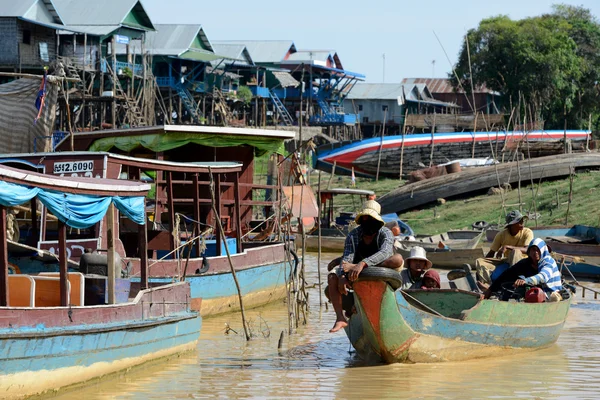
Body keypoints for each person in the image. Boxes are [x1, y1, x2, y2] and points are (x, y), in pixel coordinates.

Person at [328, 200, 404, 333]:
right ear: (361, 220)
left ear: (378, 221)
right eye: (365, 218)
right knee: (332, 277)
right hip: (356, 267)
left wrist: (362, 264)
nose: (368, 222)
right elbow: (347, 258)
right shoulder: (353, 235)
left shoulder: (385, 233)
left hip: (381, 266)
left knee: (398, 259)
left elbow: (385, 253)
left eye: (371, 219)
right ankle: (340, 318)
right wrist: (342, 276)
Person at [484, 238, 563, 300]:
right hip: (537, 291)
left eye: (537, 250)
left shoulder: (548, 262)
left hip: (551, 293)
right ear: (529, 252)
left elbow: (542, 277)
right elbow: (507, 274)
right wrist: (490, 289)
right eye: (533, 249)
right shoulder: (525, 263)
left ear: (542, 250)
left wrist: (526, 280)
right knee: (511, 284)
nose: (535, 252)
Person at [476, 210, 534, 286]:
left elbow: (527, 250)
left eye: (522, 220)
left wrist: (507, 247)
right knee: (479, 261)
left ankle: (514, 283)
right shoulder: (501, 235)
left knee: (516, 251)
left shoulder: (527, 232)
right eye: (519, 220)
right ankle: (487, 285)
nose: (522, 221)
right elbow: (491, 253)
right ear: (512, 224)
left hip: (524, 262)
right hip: (508, 261)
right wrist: (484, 266)